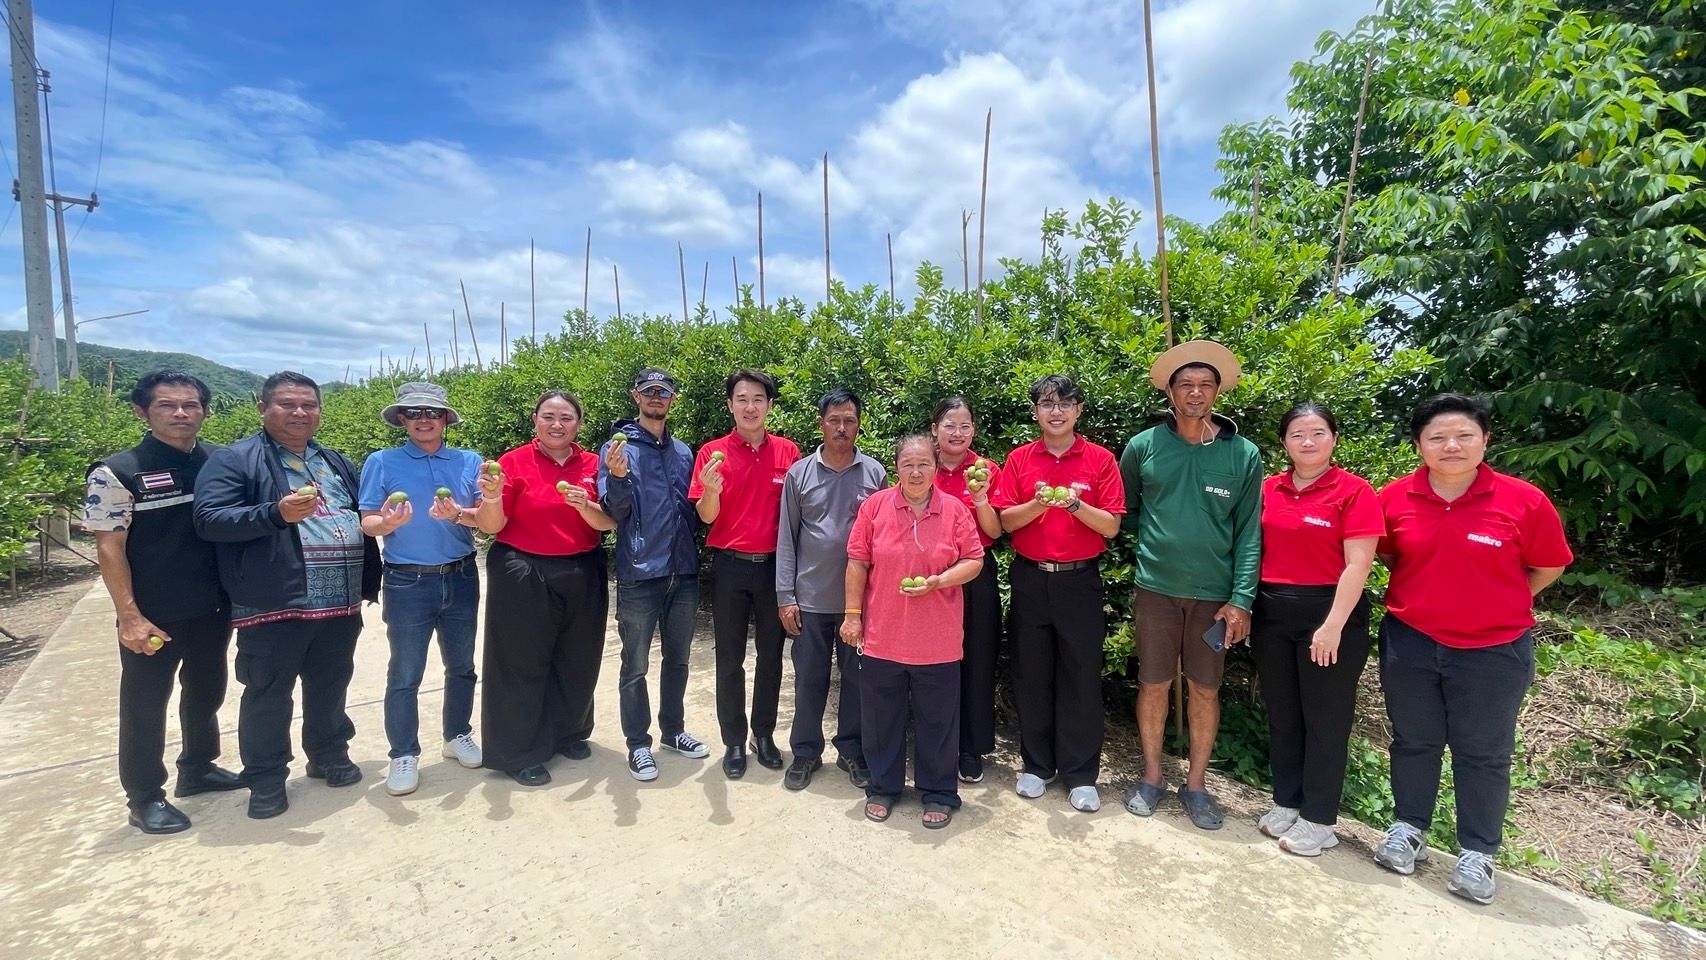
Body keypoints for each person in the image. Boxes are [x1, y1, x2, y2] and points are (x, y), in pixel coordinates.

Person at [1372, 393, 1572, 905]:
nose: (1451, 446)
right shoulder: (1394, 498)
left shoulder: (1524, 501)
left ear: (1485, 439)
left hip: (1494, 650)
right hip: (1411, 640)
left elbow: (1549, 565)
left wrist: (1498, 602)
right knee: (1413, 740)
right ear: (1418, 445)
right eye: (1437, 437)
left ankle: (1478, 852)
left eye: (1463, 435)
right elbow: (1390, 555)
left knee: (1483, 753)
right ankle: (1408, 828)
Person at [194, 371, 380, 820]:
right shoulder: (236, 460)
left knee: (331, 682)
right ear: (263, 408)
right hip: (276, 600)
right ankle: (266, 778)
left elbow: (357, 514)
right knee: (268, 690)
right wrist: (275, 513)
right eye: (287, 404)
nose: (300, 412)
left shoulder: (332, 459)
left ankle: (328, 753)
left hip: (340, 600)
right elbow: (209, 520)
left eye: (309, 405)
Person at [84, 371, 242, 834]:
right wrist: (128, 616)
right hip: (154, 614)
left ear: (204, 411)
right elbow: (109, 547)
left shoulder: (220, 461)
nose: (180, 413)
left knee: (207, 690)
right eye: (166, 405)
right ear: (142, 412)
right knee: (145, 705)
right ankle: (144, 796)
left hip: (213, 605)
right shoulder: (117, 472)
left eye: (190, 405)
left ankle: (198, 767)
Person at [1117, 340, 1260, 830]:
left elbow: (1249, 533)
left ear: (1218, 392)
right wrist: (1158, 547)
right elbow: (1127, 512)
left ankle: (1196, 786)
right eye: (1185, 384)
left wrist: (1241, 599)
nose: (1195, 392)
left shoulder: (1242, 454)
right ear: (1170, 392)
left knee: (1205, 689)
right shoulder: (1143, 447)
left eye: (1205, 385)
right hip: (1155, 590)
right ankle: (1151, 777)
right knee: (1153, 683)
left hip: (1214, 600)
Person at [1250, 402, 1383, 856]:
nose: (1308, 442)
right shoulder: (1269, 488)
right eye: (1298, 434)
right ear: (1284, 442)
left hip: (1330, 613)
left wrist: (1332, 626)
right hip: (1273, 611)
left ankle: (1320, 818)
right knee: (1283, 714)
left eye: (1318, 433)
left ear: (1334, 438)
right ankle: (1287, 801)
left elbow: (1358, 564)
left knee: (1326, 719)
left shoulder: (1354, 491)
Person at [990, 374, 1125, 813]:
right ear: (1035, 412)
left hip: (1079, 581)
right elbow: (1005, 522)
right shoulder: (1020, 459)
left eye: (1065, 403)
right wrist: (1040, 503)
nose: (1056, 411)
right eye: (1047, 403)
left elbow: (1111, 526)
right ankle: (1037, 765)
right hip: (1030, 578)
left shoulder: (1101, 460)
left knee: (1081, 677)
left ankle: (1081, 774)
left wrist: (1074, 504)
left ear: (1078, 410)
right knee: (1031, 674)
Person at [842, 434, 984, 828]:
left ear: (935, 467)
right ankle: (883, 787)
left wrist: (939, 581)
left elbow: (974, 560)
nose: (916, 472)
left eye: (924, 464)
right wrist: (852, 615)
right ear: (896, 469)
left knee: (938, 722)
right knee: (881, 719)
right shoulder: (875, 507)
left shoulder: (955, 510)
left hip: (938, 640)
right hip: (882, 636)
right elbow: (857, 562)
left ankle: (938, 792)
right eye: (908, 464)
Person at [475, 390, 615, 787]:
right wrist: (490, 497)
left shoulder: (595, 464)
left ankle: (568, 731)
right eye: (549, 416)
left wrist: (584, 506)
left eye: (566, 417)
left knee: (578, 657)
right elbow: (491, 526)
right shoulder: (512, 462)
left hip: (582, 566)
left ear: (579, 424)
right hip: (523, 567)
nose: (557, 424)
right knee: (520, 661)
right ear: (535, 420)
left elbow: (609, 523)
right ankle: (518, 752)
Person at [357, 382, 485, 797]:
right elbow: (368, 521)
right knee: (406, 672)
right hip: (407, 580)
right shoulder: (382, 461)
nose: (424, 419)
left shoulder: (469, 461)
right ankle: (404, 753)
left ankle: (457, 734)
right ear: (402, 420)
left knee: (462, 665)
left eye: (432, 412)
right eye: (414, 413)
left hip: (461, 575)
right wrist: (387, 524)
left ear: (445, 419)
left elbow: (485, 518)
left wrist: (460, 514)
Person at [597, 367, 711, 782]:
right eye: (649, 391)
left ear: (673, 399)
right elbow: (614, 512)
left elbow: (693, 511)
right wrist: (618, 477)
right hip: (640, 573)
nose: (656, 397)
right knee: (635, 665)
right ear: (636, 396)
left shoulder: (683, 452)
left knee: (678, 660)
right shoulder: (617, 448)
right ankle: (638, 744)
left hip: (683, 571)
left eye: (663, 392)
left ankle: (673, 731)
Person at [688, 369, 801, 779]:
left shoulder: (789, 452)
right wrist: (711, 490)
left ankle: (763, 734)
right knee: (730, 657)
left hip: (774, 568)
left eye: (758, 399)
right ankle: (734, 740)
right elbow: (705, 517)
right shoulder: (711, 453)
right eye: (742, 399)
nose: (750, 407)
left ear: (769, 406)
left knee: (771, 655)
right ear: (730, 405)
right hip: (730, 566)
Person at [777, 388, 886, 791]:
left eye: (850, 421)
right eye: (834, 420)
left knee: (857, 680)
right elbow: (787, 538)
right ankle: (805, 752)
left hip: (858, 603)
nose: (842, 428)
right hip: (810, 600)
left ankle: (852, 750)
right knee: (809, 679)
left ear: (859, 426)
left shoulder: (874, 473)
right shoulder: (799, 474)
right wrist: (785, 597)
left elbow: (883, 540)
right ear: (821, 424)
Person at [929, 396, 1005, 784]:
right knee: (934, 660)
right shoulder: (922, 466)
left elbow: (995, 531)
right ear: (935, 430)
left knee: (977, 658)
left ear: (973, 430)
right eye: (949, 425)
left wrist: (981, 499)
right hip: (932, 574)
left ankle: (970, 747)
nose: (957, 433)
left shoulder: (986, 469)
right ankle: (934, 742)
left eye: (965, 426)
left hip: (976, 574)